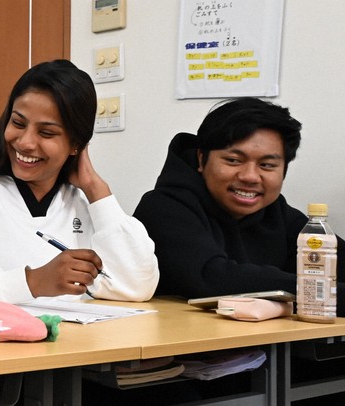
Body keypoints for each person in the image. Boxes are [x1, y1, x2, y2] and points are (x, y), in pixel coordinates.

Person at [0, 59, 159, 306]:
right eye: (18, 123)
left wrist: (96, 189)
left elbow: (138, 285)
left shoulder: (80, 198)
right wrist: (33, 282)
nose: (25, 142)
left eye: (46, 132)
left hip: (70, 344)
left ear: (76, 145)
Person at [134, 97, 345, 314]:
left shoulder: (279, 213)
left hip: (265, 345)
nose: (250, 176)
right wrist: (320, 291)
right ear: (201, 159)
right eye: (233, 160)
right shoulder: (162, 208)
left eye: (267, 165)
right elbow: (212, 279)